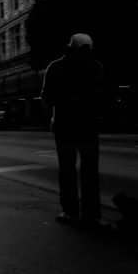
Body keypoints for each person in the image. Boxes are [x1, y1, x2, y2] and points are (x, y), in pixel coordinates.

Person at [41, 33, 107, 227]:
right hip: (85, 123)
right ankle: (90, 214)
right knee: (88, 169)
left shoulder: (56, 67)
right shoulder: (94, 67)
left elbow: (46, 95)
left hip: (66, 123)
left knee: (68, 169)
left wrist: (60, 108)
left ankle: (71, 211)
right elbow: (102, 93)